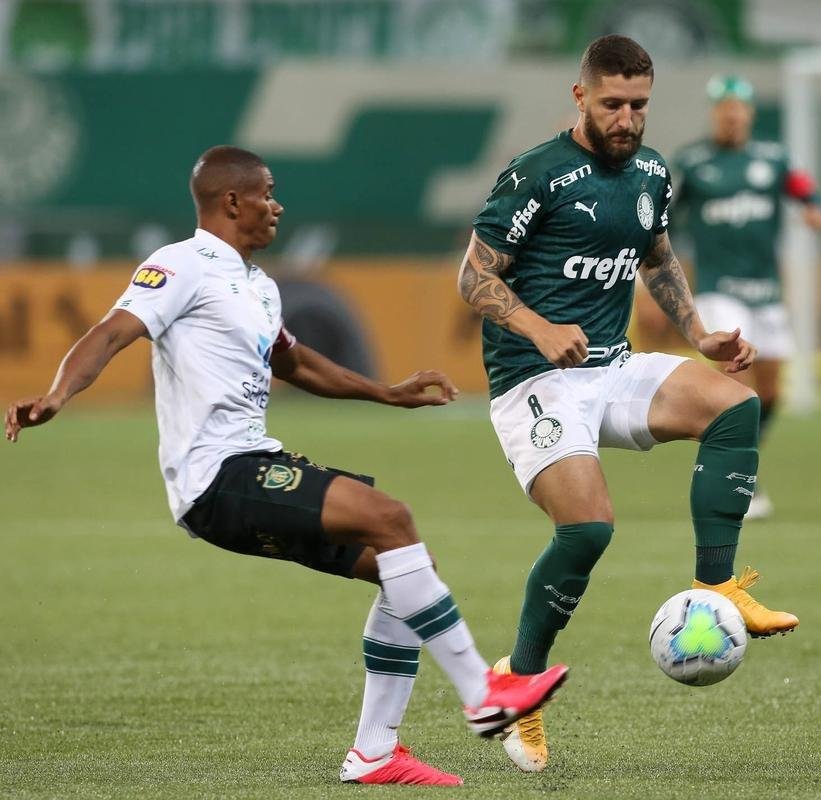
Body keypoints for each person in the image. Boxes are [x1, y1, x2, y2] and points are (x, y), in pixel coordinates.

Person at [5, 145, 569, 787]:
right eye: (269, 193)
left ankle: (375, 753)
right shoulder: (180, 265)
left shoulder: (260, 286)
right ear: (232, 201)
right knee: (392, 518)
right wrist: (55, 395)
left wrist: (386, 393)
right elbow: (110, 332)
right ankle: (485, 697)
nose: (278, 205)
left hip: (253, 462)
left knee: (405, 568)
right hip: (216, 476)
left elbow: (295, 364)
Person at [457, 36, 799, 774]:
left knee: (733, 406)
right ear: (580, 97)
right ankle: (515, 684)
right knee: (586, 531)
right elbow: (473, 278)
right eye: (612, 104)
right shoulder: (536, 174)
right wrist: (538, 328)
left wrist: (698, 332)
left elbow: (657, 257)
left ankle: (716, 585)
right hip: (533, 379)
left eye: (638, 105)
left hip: (609, 367)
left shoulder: (649, 170)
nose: (626, 118)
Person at [666, 74, 821, 518]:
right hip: (720, 290)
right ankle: (743, 484)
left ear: (749, 113)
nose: (731, 115)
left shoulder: (773, 159)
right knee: (737, 388)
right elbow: (662, 220)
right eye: (723, 108)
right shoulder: (693, 163)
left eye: (738, 107)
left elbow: (807, 192)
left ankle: (730, 449)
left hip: (766, 291)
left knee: (772, 391)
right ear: (714, 113)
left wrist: (816, 209)